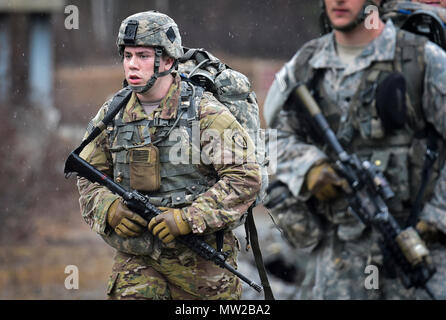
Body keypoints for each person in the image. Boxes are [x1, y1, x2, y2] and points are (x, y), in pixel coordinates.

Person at [264, 0, 446, 299]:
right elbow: (277, 137)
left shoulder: (423, 61)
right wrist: (310, 167)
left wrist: (436, 218)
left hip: (417, 255)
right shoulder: (307, 63)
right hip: (339, 264)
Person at [76, 11, 261, 300]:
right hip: (137, 260)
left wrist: (187, 218)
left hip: (202, 265)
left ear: (169, 61)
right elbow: (87, 175)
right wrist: (108, 209)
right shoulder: (112, 113)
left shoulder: (205, 112)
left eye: (143, 56)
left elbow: (245, 178)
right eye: (127, 56)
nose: (132, 64)